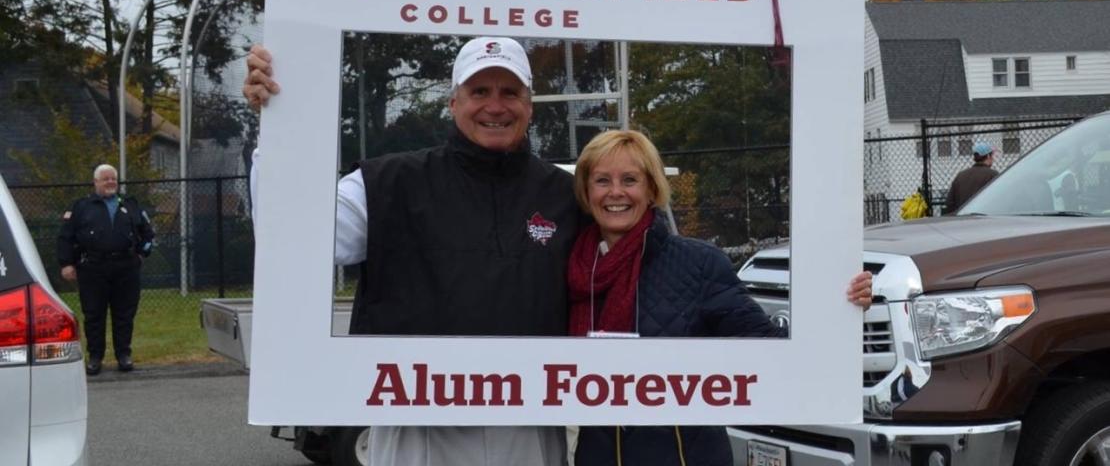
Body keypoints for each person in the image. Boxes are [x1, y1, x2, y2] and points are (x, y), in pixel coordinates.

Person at [243, 36, 581, 466]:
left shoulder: (565, 195)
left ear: (529, 106)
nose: (495, 106)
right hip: (413, 427)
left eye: (510, 92)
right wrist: (278, 124)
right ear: (453, 101)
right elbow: (289, 234)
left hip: (528, 426)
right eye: (479, 91)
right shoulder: (388, 183)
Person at [567, 130, 873, 466]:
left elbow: (772, 346)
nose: (615, 192)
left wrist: (839, 308)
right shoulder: (571, 269)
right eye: (601, 180)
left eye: (630, 179)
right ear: (585, 190)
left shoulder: (698, 263)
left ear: (652, 189)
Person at [57, 164, 155, 375]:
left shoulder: (131, 205)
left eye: (113, 179)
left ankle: (123, 355)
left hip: (126, 268)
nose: (110, 182)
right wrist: (66, 263)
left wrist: (141, 253)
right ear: (96, 183)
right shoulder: (82, 206)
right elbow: (66, 237)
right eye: (105, 179)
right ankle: (95, 357)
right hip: (93, 269)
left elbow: (148, 234)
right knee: (93, 314)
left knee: (124, 314)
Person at [944, 141, 1000, 214]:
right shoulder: (993, 175)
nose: (993, 158)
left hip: (963, 218)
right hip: (986, 218)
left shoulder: (960, 175)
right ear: (988, 156)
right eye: (992, 155)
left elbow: (950, 202)